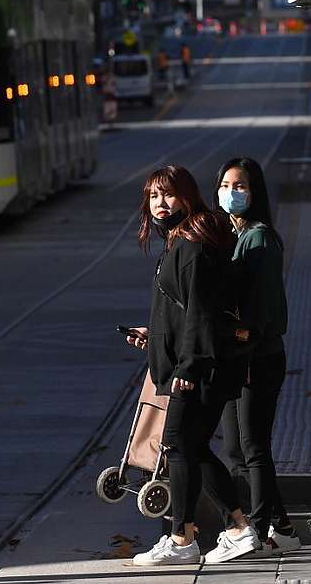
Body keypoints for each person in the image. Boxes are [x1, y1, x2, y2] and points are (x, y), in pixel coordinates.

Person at [126, 165, 260, 566]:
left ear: (187, 196)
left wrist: (188, 366)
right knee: (192, 447)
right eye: (153, 197)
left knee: (179, 445)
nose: (160, 205)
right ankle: (236, 528)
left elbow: (202, 313)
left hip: (200, 368)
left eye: (168, 195)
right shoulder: (181, 241)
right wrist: (155, 335)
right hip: (199, 362)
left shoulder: (193, 246)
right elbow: (184, 310)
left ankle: (183, 538)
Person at [213, 157, 301, 557]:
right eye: (227, 185)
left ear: (256, 192)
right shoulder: (234, 236)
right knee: (236, 449)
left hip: (257, 357)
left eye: (241, 185)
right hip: (239, 358)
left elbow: (261, 310)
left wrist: (240, 335)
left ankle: (259, 530)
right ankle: (281, 527)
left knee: (252, 448)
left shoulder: (259, 238)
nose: (233, 192)